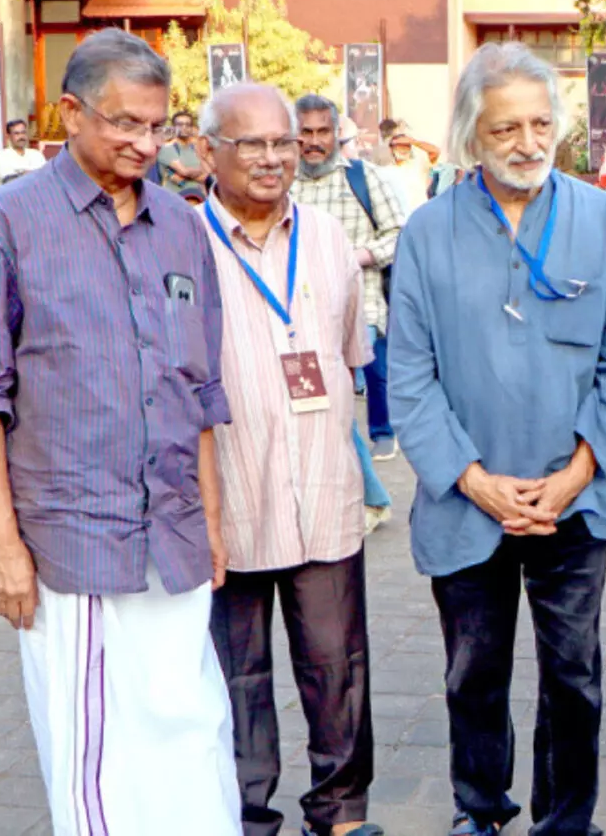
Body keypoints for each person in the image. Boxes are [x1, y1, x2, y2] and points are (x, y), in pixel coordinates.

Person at [0, 28, 240, 834]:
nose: (146, 144)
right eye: (125, 123)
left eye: (158, 126)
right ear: (71, 113)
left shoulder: (180, 224)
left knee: (193, 733)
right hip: (70, 546)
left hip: (173, 534)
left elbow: (199, 388)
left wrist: (212, 520)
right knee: (96, 762)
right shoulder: (3, 224)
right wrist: (2, 546)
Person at [388, 41, 606, 836]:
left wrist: (572, 477)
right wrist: (476, 480)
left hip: (573, 497)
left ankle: (566, 819)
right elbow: (410, 378)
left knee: (574, 674)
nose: (528, 143)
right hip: (469, 499)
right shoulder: (427, 232)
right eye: (506, 129)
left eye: (540, 124)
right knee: (473, 673)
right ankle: (480, 809)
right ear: (472, 134)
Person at [191, 83, 382, 836]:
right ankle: (246, 815)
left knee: (339, 666)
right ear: (207, 151)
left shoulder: (328, 237)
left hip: (323, 490)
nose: (274, 158)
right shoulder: (181, 242)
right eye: (253, 144)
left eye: (284, 143)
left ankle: (340, 811)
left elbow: (345, 352)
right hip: (229, 499)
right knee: (236, 675)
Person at [292, 95, 404, 462]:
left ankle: (381, 434)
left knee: (355, 383)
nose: (314, 141)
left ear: (336, 133)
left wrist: (354, 258)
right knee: (312, 402)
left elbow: (399, 234)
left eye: (322, 132)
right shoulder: (282, 182)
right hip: (296, 315)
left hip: (361, 307)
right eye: (306, 132)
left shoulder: (363, 176)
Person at [158, 110, 208, 193]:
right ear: (173, 127)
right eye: (180, 124)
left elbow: (204, 176)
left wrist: (184, 176)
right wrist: (199, 172)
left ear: (191, 127)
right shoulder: (167, 148)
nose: (184, 127)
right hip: (174, 198)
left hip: (198, 197)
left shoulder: (197, 149)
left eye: (188, 124)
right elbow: (184, 171)